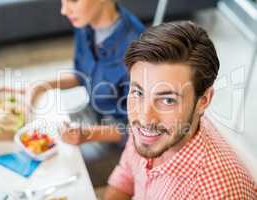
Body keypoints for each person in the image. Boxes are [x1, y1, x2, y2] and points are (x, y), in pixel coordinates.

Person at [105, 21, 257, 199]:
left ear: (203, 101)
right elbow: (125, 176)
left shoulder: (217, 193)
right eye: (138, 92)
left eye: (168, 100)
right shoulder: (148, 129)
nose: (145, 118)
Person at [29, 0, 145, 186]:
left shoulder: (138, 49)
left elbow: (137, 130)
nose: (64, 10)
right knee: (39, 133)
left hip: (122, 146)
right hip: (92, 114)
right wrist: (42, 85)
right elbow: (82, 75)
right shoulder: (85, 23)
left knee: (53, 168)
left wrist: (87, 134)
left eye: (73, 1)